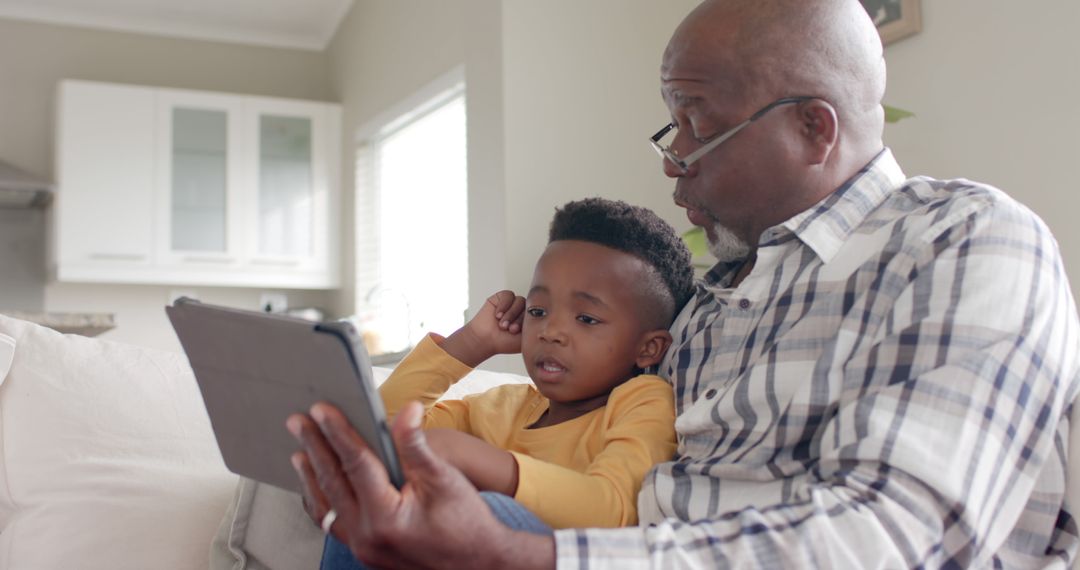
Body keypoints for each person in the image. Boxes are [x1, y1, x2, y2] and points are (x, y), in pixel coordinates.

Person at [287, 0, 1080, 567]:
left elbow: (898, 541)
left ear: (814, 128)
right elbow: (598, 450)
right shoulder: (708, 300)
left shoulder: (961, 241)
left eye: (697, 120)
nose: (673, 157)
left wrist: (518, 555)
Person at [318, 197, 695, 567]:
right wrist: (470, 344)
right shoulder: (501, 406)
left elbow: (611, 511)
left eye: (587, 319)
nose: (551, 331)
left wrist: (477, 460)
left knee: (487, 510)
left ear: (648, 348)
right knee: (374, 487)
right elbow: (377, 437)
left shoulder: (643, 402)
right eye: (538, 311)